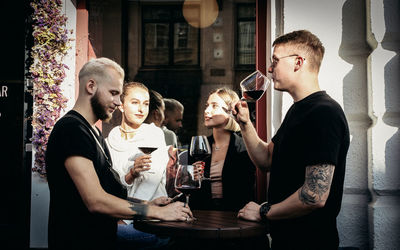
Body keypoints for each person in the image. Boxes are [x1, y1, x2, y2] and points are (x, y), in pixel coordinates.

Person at [45, 58, 192, 250]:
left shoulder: (94, 132)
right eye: (113, 93)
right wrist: (156, 212)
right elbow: (96, 200)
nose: (117, 102)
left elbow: (107, 192)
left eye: (120, 95)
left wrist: (149, 202)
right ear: (91, 86)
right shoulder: (71, 130)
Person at [234, 30, 350, 249]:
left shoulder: (324, 113)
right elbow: (267, 159)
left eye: (275, 61)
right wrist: (245, 123)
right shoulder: (298, 111)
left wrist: (263, 211)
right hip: (285, 241)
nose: (269, 69)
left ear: (298, 62)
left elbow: (314, 195)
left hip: (310, 243)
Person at [105, 83, 171, 248]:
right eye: (135, 102)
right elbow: (110, 187)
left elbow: (152, 181)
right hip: (121, 217)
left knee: (105, 233)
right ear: (121, 105)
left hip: (153, 220)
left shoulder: (154, 134)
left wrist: (124, 219)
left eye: (146, 103)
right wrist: (131, 174)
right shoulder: (108, 143)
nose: (141, 109)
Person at [189, 87, 256, 211]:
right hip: (202, 214)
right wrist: (192, 177)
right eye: (207, 105)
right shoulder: (199, 146)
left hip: (235, 214)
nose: (206, 111)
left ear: (231, 111)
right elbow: (189, 189)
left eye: (214, 106)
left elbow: (246, 187)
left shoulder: (244, 147)